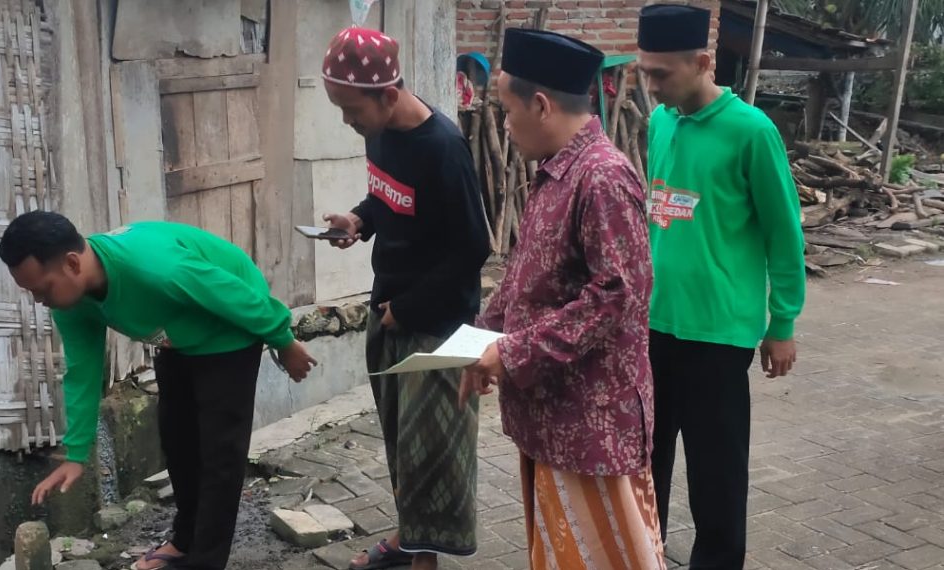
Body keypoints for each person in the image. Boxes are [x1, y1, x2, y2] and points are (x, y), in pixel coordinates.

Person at [0, 212, 317, 570]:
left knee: (218, 455)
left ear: (72, 263)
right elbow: (82, 373)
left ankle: (206, 561)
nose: (39, 300)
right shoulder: (71, 303)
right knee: (178, 442)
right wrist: (76, 453)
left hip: (229, 325)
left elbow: (233, 294)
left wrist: (284, 341)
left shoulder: (153, 268)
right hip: (175, 336)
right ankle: (185, 541)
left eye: (42, 288)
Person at [461, 28, 666, 570]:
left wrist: (513, 353)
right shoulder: (557, 173)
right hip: (552, 417)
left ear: (542, 105)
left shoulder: (601, 177)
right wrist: (481, 339)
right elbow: (526, 276)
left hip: (590, 424)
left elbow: (616, 296)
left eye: (507, 110)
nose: (504, 124)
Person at [636, 5, 807, 568]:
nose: (652, 86)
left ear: (704, 62)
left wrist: (781, 324)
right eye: (645, 72)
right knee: (644, 467)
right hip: (654, 327)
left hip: (720, 337)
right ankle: (647, 557)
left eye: (662, 74)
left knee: (717, 476)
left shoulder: (752, 132)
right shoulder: (660, 122)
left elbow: (785, 237)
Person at [318, 26, 491, 570]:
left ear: (388, 96)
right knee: (401, 443)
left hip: (438, 322)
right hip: (390, 307)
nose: (349, 123)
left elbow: (474, 248)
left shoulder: (444, 148)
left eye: (352, 111)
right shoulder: (381, 132)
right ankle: (406, 540)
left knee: (435, 453)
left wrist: (409, 309)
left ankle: (424, 561)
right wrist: (359, 220)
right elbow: (387, 197)